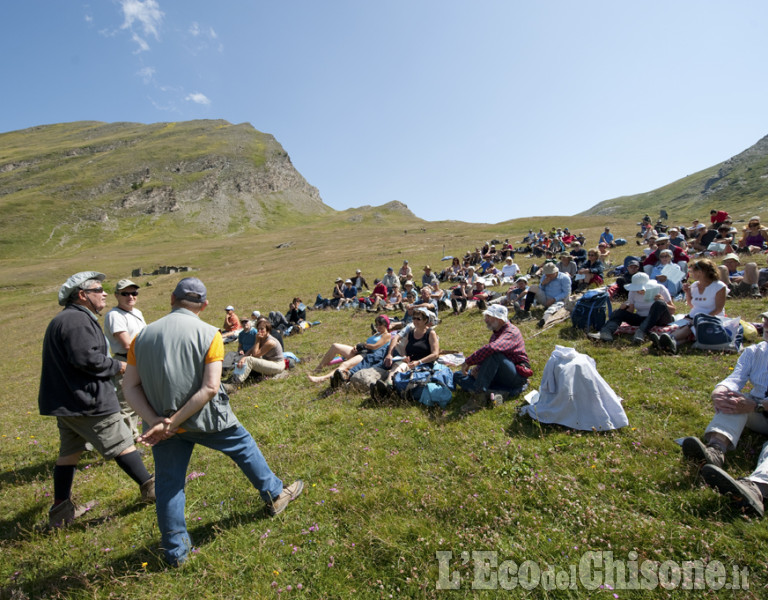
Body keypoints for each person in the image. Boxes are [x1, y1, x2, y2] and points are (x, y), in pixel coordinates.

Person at [122, 277, 302, 565]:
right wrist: (174, 420)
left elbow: (129, 386)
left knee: (169, 484)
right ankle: (275, 493)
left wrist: (158, 421)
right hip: (207, 419)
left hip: (160, 427)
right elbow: (209, 388)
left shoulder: (141, 337)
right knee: (244, 447)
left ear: (171, 298)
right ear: (204, 305)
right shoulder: (209, 334)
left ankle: (175, 552)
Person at [39, 272, 155, 528]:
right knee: (122, 442)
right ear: (82, 295)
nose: (104, 293)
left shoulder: (69, 318)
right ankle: (151, 488)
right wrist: (120, 366)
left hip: (68, 403)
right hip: (87, 400)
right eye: (98, 289)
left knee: (69, 454)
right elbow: (87, 359)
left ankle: (60, 510)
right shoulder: (76, 321)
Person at [679, 311, 768, 517]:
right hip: (758, 411)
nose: (766, 326)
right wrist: (720, 392)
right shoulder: (755, 352)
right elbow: (734, 379)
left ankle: (756, 489)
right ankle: (715, 451)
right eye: (766, 321)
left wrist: (757, 406)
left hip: (759, 408)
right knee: (733, 401)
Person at [454, 304, 532, 413]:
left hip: (515, 375)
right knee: (458, 375)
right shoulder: (496, 333)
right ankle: (497, 393)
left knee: (495, 354)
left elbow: (492, 348)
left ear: (499, 319)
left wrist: (468, 362)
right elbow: (487, 356)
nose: (486, 320)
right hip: (499, 374)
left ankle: (479, 397)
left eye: (488, 317)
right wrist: (479, 368)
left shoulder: (511, 332)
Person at [105, 278, 147, 441]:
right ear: (116, 295)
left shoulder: (137, 313)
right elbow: (127, 344)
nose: (130, 297)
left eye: (134, 293)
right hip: (126, 362)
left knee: (138, 400)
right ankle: (127, 440)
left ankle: (135, 435)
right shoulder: (115, 315)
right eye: (125, 293)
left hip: (140, 360)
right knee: (126, 403)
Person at [657, 258, 727, 354]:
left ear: (700, 272)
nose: (691, 274)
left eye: (692, 271)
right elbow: (692, 305)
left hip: (711, 318)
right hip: (692, 316)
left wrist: (701, 319)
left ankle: (667, 340)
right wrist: (688, 293)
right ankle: (669, 343)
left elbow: (718, 309)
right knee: (677, 327)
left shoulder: (719, 286)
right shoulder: (694, 285)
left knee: (688, 327)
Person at [371, 307, 440, 401]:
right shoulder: (411, 333)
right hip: (410, 362)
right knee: (396, 367)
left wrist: (419, 362)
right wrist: (404, 356)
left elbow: (435, 354)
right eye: (413, 318)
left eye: (418, 319)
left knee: (403, 371)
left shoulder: (431, 333)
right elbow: (404, 348)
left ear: (425, 320)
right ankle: (387, 386)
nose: (415, 321)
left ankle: (385, 391)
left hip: (424, 364)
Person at [590, 272, 675, 344]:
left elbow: (673, 310)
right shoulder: (632, 292)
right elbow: (631, 310)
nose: (639, 291)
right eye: (637, 289)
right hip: (641, 319)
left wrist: (663, 302)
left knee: (659, 303)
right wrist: (624, 307)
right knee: (618, 312)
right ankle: (605, 332)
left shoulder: (660, 288)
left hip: (660, 320)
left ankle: (641, 332)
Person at [307, 314, 392, 385]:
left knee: (345, 365)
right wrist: (357, 345)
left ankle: (321, 379)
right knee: (335, 346)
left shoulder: (387, 335)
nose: (378, 327)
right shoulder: (377, 333)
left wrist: (363, 345)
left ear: (385, 325)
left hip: (367, 355)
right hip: (361, 351)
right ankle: (318, 368)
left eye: (380, 324)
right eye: (376, 325)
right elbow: (368, 343)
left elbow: (375, 346)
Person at [230, 319, 285, 384]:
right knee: (245, 358)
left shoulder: (270, 342)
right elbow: (251, 349)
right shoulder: (262, 338)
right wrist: (243, 357)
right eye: (258, 329)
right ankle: (233, 377)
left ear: (267, 330)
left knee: (250, 360)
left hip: (277, 365)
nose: (259, 331)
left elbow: (255, 354)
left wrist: (257, 340)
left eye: (262, 329)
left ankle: (235, 383)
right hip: (269, 361)